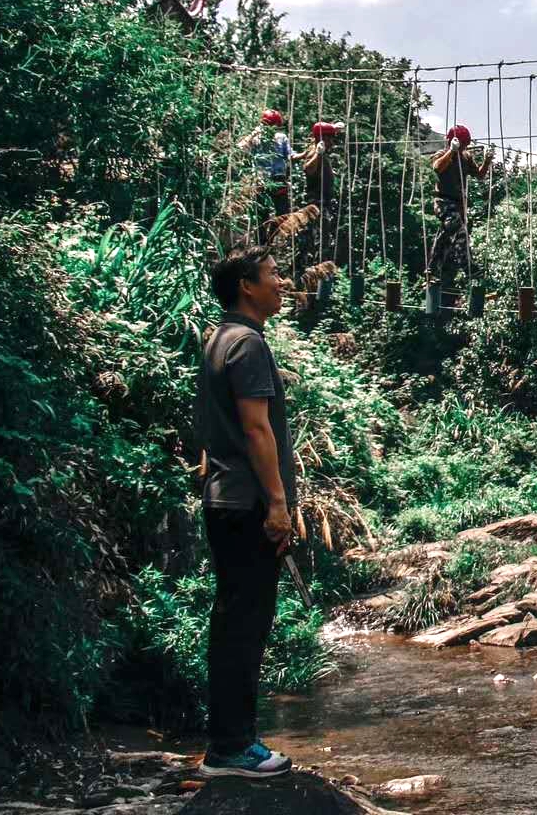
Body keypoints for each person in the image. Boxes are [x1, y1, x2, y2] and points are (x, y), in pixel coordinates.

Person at [192, 247, 296, 779]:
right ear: (246, 287)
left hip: (224, 499)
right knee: (245, 626)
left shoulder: (218, 339)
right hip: (247, 503)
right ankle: (233, 748)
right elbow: (258, 430)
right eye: (273, 275)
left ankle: (229, 741)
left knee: (233, 621)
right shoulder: (248, 344)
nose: (282, 281)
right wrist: (278, 504)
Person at [428, 124, 492, 292]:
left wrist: (486, 161)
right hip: (443, 202)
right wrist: (452, 151)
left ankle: (432, 270)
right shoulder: (442, 154)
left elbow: (479, 175)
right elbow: (437, 168)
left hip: (458, 204)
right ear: (452, 141)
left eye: (465, 145)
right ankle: (469, 268)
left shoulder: (465, 157)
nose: (465, 147)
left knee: (443, 239)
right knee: (459, 233)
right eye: (463, 144)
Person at [297, 121, 342, 278]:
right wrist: (318, 153)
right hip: (316, 205)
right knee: (317, 243)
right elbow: (308, 169)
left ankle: (317, 275)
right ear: (322, 139)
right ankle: (314, 277)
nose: (332, 142)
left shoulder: (322, 153)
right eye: (330, 138)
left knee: (323, 241)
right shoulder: (315, 152)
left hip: (323, 204)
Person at [240, 110, 292, 245]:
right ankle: (261, 243)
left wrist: (311, 152)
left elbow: (290, 155)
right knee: (261, 214)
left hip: (278, 179)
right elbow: (240, 148)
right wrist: (253, 135)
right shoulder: (256, 136)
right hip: (260, 180)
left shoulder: (281, 137)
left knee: (283, 213)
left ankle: (270, 238)